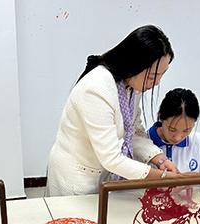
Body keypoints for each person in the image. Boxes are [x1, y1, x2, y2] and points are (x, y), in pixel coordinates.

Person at [46, 25, 185, 197]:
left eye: (161, 75)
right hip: (77, 177)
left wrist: (159, 159)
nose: (157, 83)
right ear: (134, 65)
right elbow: (111, 158)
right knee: (74, 215)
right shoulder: (96, 90)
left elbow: (133, 132)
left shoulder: (130, 87)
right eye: (152, 76)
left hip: (103, 173)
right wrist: (162, 177)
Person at [148, 88, 200, 175]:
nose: (178, 138)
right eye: (172, 129)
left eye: (186, 130)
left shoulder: (198, 142)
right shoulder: (144, 143)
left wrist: (195, 178)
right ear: (160, 116)